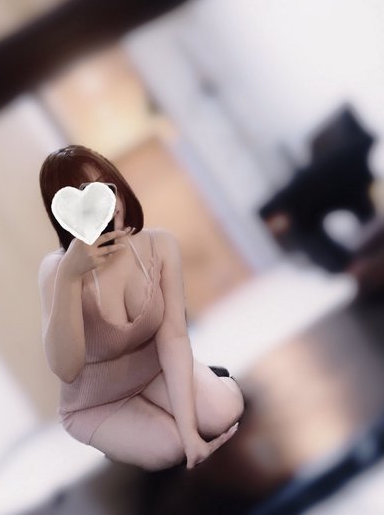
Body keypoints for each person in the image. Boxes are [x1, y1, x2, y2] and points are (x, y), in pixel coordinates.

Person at [38, 145, 245, 471]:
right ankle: (125, 437)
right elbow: (66, 369)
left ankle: (209, 379)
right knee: (169, 450)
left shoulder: (159, 245)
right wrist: (69, 278)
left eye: (106, 186)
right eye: (86, 195)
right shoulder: (57, 270)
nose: (106, 202)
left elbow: (174, 337)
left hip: (154, 372)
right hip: (97, 402)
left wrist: (191, 433)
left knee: (223, 413)